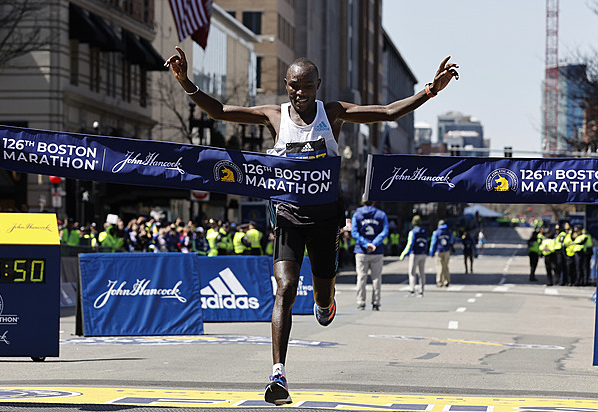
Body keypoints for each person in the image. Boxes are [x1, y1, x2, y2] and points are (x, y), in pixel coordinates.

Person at [165, 46, 459, 405]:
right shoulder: (274, 116)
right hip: (287, 216)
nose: (298, 93)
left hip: (324, 220)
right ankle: (278, 374)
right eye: (292, 87)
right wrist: (185, 83)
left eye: (304, 87)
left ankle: (326, 302)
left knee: (321, 295)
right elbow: (222, 111)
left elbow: (386, 112)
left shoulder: (331, 113)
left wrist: (431, 90)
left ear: (317, 85)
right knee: (285, 289)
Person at [351, 195, 389, 310]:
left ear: (362, 202)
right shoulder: (381, 214)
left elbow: (354, 232)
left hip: (361, 251)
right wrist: (374, 243)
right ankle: (376, 302)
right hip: (377, 251)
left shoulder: (357, 214)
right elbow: (385, 231)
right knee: (376, 277)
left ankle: (361, 302)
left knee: (361, 277)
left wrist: (365, 244)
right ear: (373, 202)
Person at [399, 215, 428, 297]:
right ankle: (421, 291)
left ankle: (412, 290)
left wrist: (404, 254)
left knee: (412, 272)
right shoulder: (424, 231)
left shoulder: (412, 232)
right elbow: (426, 242)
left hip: (414, 254)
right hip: (423, 253)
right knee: (422, 273)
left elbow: (410, 244)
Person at [429, 219, 453, 287]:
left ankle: (439, 282)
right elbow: (451, 241)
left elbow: (433, 243)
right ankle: (446, 281)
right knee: (446, 266)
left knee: (439, 266)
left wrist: (431, 252)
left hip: (438, 251)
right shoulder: (449, 231)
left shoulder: (436, 232)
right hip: (447, 250)